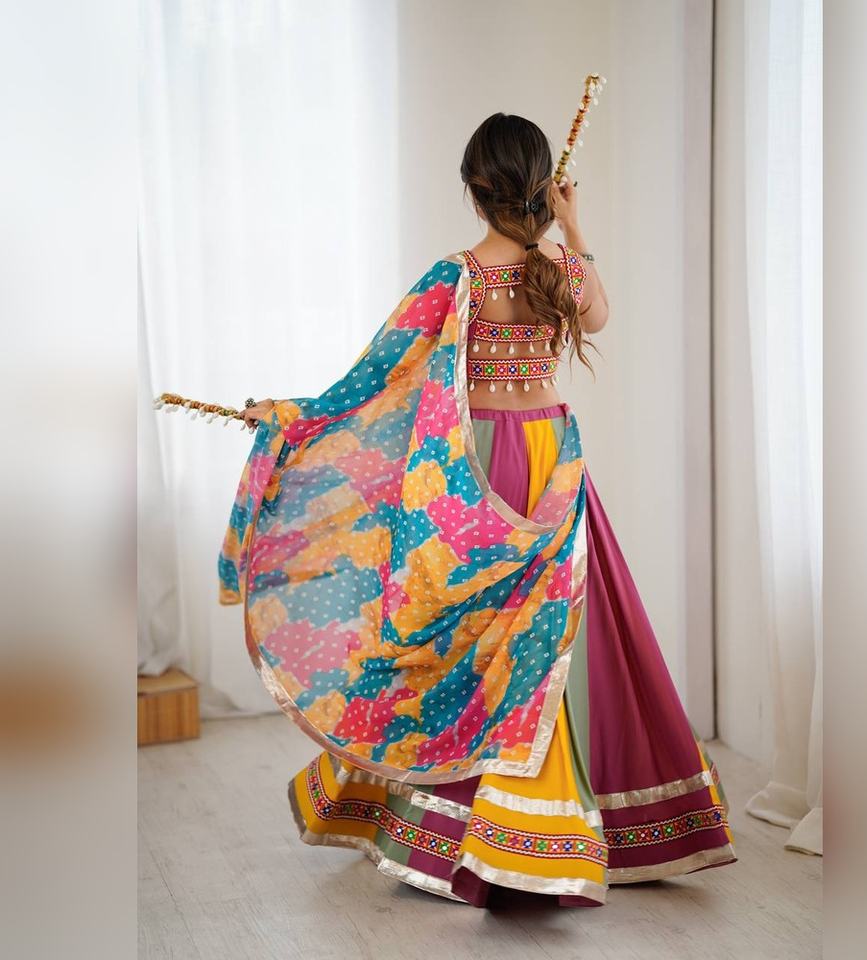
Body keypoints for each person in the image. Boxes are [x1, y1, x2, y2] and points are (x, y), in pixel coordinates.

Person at [222, 113, 735, 907]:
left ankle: (478, 825)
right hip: (550, 452)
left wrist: (290, 417)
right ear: (542, 187)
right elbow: (597, 315)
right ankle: (565, 816)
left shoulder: (455, 276)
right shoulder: (557, 266)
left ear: (473, 187)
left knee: (464, 631)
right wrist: (572, 226)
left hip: (479, 463)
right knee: (556, 628)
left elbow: (372, 380)